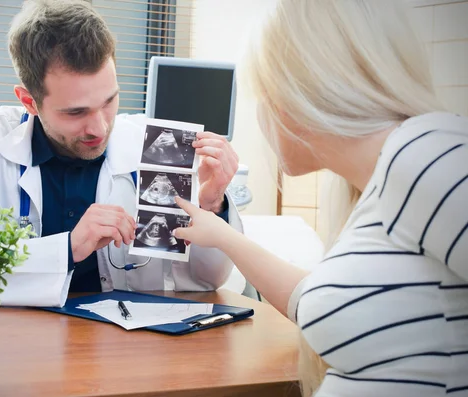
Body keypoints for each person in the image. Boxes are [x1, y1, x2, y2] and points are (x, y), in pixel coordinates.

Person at [173, 0, 468, 396]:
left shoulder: (422, 154)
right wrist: (222, 235)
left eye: (264, 97)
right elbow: (313, 302)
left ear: (298, 94)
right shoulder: (375, 191)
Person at [0, 0, 243, 307]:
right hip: (14, 346)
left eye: (109, 101)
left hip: (121, 348)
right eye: (76, 112)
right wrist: (68, 248)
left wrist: (212, 204)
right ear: (29, 101)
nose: (100, 127)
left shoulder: (159, 147)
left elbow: (204, 281)